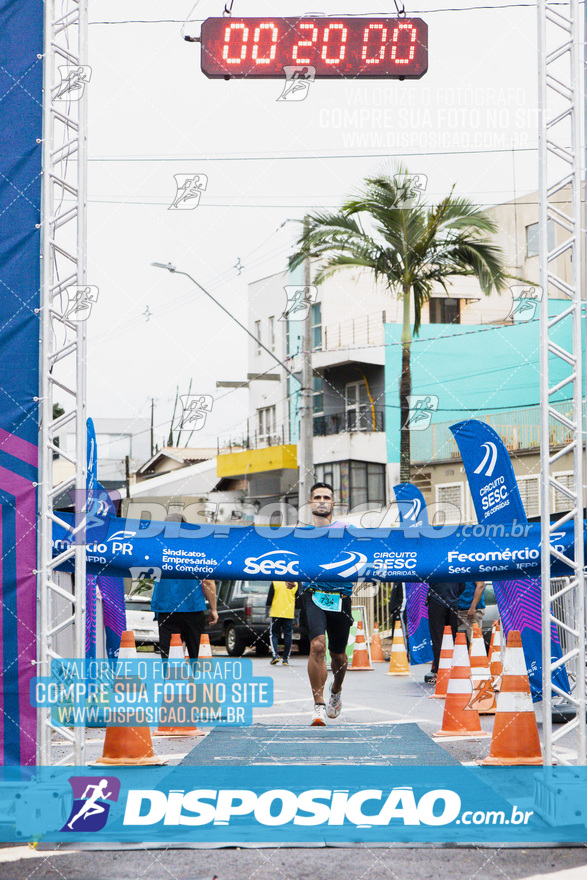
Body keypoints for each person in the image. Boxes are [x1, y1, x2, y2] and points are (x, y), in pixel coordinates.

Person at [286, 482, 354, 727]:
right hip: (313, 594)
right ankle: (318, 705)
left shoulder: (348, 529)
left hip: (341, 597)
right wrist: (290, 577)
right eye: (317, 497)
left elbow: (367, 553)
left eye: (327, 497)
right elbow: (293, 561)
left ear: (333, 503)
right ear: (310, 503)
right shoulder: (302, 534)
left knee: (338, 656)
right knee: (317, 645)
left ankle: (336, 689)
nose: (322, 501)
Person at [151, 513, 218, 659]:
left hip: (166, 608)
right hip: (192, 608)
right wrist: (213, 609)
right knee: (197, 653)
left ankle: (171, 681)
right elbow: (208, 581)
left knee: (169, 655)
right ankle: (198, 681)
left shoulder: (157, 548)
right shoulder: (196, 548)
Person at [424, 580, 465, 684]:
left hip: (437, 602)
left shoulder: (435, 566)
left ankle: (440, 670)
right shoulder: (456, 567)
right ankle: (452, 668)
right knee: (452, 638)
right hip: (453, 603)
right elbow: (462, 586)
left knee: (437, 639)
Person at [265, 580, 297, 666]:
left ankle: (275, 656)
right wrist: (297, 618)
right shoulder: (295, 583)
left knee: (274, 634)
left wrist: (266, 614)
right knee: (288, 635)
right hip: (289, 614)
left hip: (276, 613)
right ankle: (285, 659)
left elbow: (269, 598)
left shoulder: (275, 582)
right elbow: (298, 602)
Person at [457, 580, 486, 645]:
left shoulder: (475, 570)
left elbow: (480, 585)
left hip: (472, 609)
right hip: (457, 607)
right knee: (447, 635)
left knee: (475, 641)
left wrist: (472, 607)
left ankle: (478, 654)